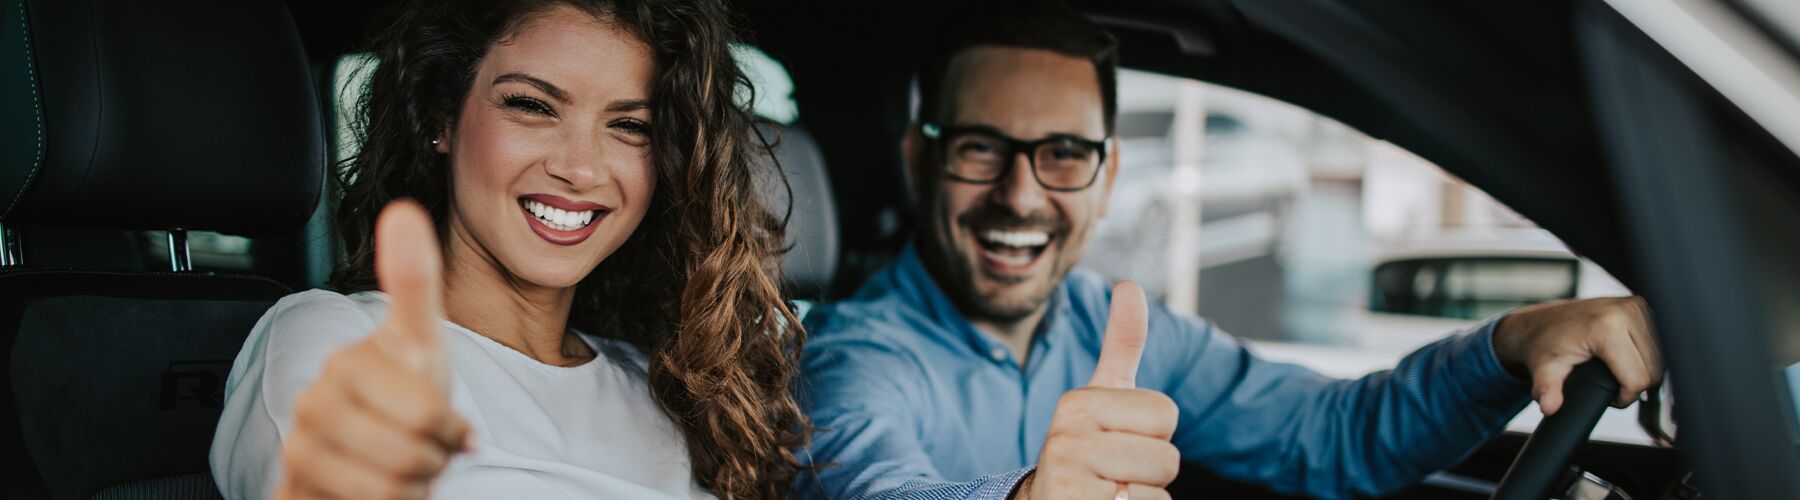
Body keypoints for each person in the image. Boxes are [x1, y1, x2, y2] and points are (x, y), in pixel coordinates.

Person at [794, 1, 1663, 499]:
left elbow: (1335, 434)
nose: (1021, 195)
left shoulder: (1119, 329)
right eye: (982, 147)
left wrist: (1511, 343)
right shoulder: (851, 357)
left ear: (1106, 174)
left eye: (1063, 154)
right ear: (922, 159)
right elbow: (870, 490)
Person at [209, 1, 810, 498]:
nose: (580, 168)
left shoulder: (662, 385)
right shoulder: (333, 343)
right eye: (531, 106)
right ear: (440, 116)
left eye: (632, 127)